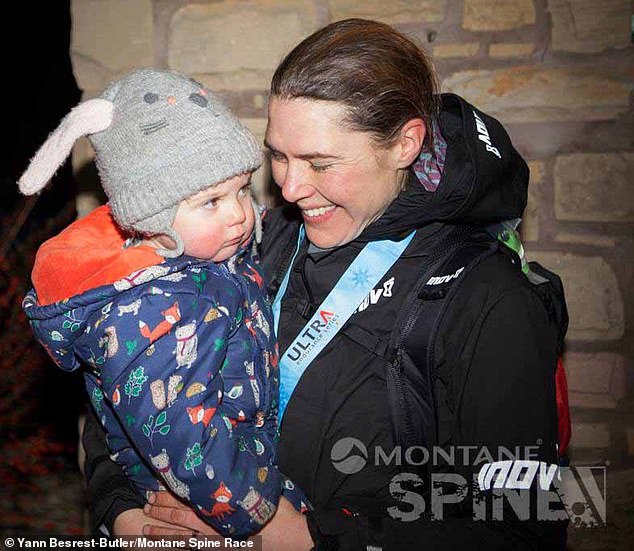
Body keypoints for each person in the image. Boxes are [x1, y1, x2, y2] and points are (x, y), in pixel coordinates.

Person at [81, 19, 567, 550]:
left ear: (406, 143)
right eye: (278, 156)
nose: (289, 187)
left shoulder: (486, 298)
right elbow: (129, 379)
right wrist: (125, 513)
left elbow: (526, 525)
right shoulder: (253, 242)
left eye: (320, 163)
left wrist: (310, 537)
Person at [19, 68, 307, 539]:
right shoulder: (151, 309)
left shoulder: (210, 259)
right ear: (151, 219)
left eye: (241, 189)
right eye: (211, 201)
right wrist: (254, 508)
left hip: (244, 462)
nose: (240, 213)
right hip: (218, 493)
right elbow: (176, 429)